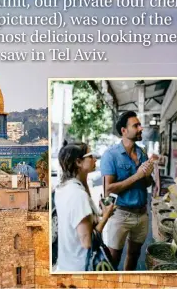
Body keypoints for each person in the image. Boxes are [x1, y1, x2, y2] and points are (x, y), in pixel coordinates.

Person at [101, 111, 156, 271]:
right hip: (120, 215)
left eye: (140, 125)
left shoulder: (142, 153)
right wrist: (138, 175)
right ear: (124, 130)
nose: (141, 128)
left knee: (134, 254)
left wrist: (148, 175)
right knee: (113, 258)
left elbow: (146, 184)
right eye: (136, 125)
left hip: (142, 214)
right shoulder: (110, 155)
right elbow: (107, 189)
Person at [55, 141, 115, 272]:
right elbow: (87, 242)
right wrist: (106, 216)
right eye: (91, 155)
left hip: (67, 262)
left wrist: (98, 214)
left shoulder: (62, 188)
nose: (95, 158)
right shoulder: (78, 195)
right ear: (78, 162)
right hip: (81, 266)